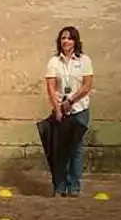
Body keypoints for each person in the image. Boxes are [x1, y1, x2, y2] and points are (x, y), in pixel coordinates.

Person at [44, 26, 94, 197]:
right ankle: (60, 186)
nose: (66, 41)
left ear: (75, 41)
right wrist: (58, 109)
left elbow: (87, 85)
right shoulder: (53, 62)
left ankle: (74, 186)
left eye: (70, 38)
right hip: (61, 111)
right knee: (60, 149)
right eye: (63, 38)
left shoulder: (84, 60)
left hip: (79, 109)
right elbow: (51, 88)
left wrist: (71, 101)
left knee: (76, 149)